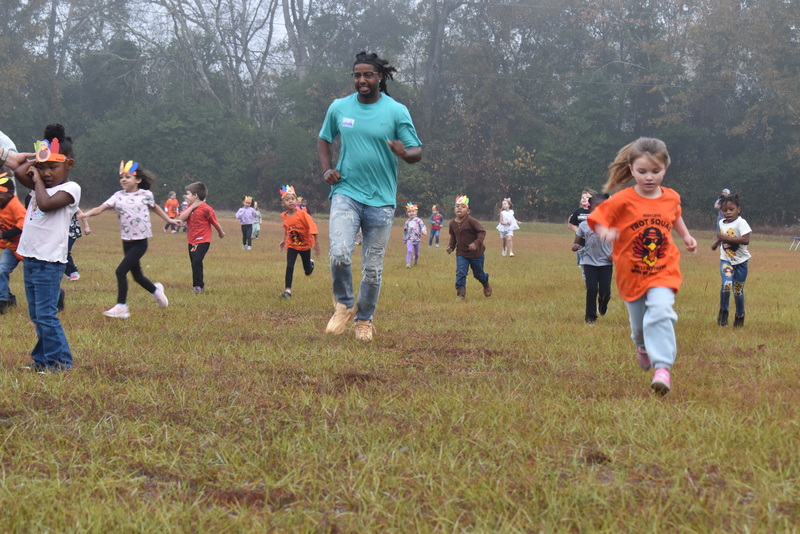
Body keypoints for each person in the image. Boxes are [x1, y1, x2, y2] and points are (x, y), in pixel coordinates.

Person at [317, 51, 422, 341]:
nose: (361, 80)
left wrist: (405, 152)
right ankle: (345, 304)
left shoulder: (396, 111)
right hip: (346, 192)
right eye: (357, 75)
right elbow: (324, 139)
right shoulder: (339, 107)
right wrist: (327, 170)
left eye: (367, 75)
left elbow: (417, 151)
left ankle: (364, 321)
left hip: (381, 200)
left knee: (372, 269)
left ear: (379, 77)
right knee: (339, 253)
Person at [588, 137, 697, 396]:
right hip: (631, 272)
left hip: (663, 268)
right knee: (639, 328)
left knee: (660, 311)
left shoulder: (671, 197)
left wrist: (686, 236)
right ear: (631, 169)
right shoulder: (622, 199)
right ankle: (642, 347)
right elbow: (597, 218)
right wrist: (605, 233)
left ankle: (662, 368)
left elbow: (675, 214)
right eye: (642, 171)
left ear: (666, 167)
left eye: (656, 171)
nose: (649, 177)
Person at [13, 124, 81, 371]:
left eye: (53, 167)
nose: (47, 173)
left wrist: (37, 176)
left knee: (46, 315)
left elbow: (44, 204)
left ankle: (62, 361)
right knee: (36, 316)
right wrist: (33, 159)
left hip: (49, 262)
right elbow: (20, 171)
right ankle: (42, 360)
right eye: (43, 168)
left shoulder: (70, 189)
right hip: (30, 258)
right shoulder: (42, 184)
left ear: (69, 165)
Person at [79, 161, 179, 319]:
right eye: (121, 177)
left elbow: (155, 207)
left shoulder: (145, 195)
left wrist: (170, 220)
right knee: (137, 276)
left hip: (140, 242)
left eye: (127, 177)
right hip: (127, 241)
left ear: (138, 180)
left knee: (120, 271)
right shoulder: (118, 196)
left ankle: (121, 306)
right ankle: (156, 291)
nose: (123, 179)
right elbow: (101, 208)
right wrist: (87, 214)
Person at [177, 182, 225, 293]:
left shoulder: (206, 209)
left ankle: (198, 286)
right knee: (194, 262)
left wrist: (221, 233)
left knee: (197, 261)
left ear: (195, 195)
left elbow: (215, 223)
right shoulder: (189, 207)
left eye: (188, 194)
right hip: (191, 240)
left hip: (203, 240)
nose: (186, 197)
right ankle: (199, 285)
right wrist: (193, 207)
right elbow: (181, 218)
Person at [711, 193, 751, 327]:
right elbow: (723, 236)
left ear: (738, 209)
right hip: (726, 260)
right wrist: (717, 243)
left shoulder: (741, 223)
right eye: (724, 210)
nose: (728, 212)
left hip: (741, 263)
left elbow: (745, 240)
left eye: (731, 209)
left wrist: (725, 238)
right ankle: (723, 313)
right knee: (727, 284)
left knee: (738, 290)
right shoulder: (722, 223)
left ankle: (740, 316)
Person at [572, 194, 613, 324]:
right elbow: (576, 242)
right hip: (589, 261)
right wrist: (575, 246)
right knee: (591, 289)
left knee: (605, 291)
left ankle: (603, 304)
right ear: (590, 209)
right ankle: (590, 317)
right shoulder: (584, 225)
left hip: (606, 262)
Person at [278, 185, 320, 298]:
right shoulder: (285, 216)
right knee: (290, 266)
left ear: (296, 201)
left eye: (292, 199)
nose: (290, 201)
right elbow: (287, 229)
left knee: (307, 271)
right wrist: (283, 240)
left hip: (305, 246)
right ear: (283, 204)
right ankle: (288, 291)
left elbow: (312, 226)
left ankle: (310, 264)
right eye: (287, 200)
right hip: (292, 245)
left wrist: (316, 243)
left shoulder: (302, 214)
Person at [447, 196, 492, 299]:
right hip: (461, 253)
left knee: (478, 274)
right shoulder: (452, 223)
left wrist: (476, 244)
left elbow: (482, 232)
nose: (459, 208)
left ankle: (485, 283)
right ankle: (460, 294)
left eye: (463, 207)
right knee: (461, 272)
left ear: (468, 211)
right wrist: (451, 247)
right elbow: (453, 237)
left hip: (476, 253)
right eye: (457, 206)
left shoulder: (471, 221)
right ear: (454, 209)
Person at [0, 172, 25, 314]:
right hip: (11, 248)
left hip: (26, 248)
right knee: (2, 270)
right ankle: (4, 299)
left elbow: (23, 225)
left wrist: (4, 234)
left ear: (10, 193)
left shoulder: (16, 206)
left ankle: (57, 295)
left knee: (36, 278)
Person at [568, 189, 596, 278]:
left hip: (594, 243)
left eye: (587, 197)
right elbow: (572, 224)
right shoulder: (578, 212)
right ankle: (587, 281)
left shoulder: (595, 211)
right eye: (583, 197)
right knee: (584, 263)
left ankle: (595, 278)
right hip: (582, 243)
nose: (584, 199)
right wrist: (579, 233)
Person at [403, 202, 427, 268]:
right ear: (407, 213)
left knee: (416, 253)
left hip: (417, 239)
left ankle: (415, 260)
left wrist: (423, 231)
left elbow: (423, 226)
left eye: (413, 211)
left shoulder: (418, 220)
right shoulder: (407, 222)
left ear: (416, 212)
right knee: (409, 250)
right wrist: (405, 239)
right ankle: (407, 264)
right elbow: (405, 231)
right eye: (409, 212)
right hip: (409, 239)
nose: (411, 213)